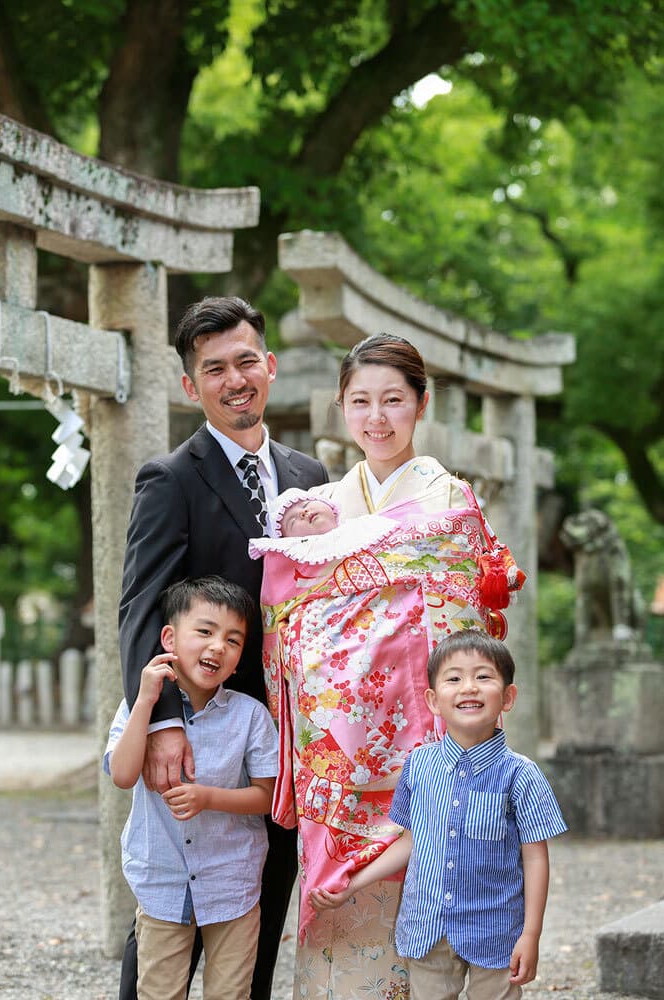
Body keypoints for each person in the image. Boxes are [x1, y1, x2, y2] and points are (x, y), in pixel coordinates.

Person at [258, 333, 525, 999]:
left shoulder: (451, 505)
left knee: (437, 903)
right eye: (361, 402)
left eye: (393, 401)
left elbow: (467, 625)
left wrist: (368, 618)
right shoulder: (316, 511)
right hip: (340, 751)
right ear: (341, 408)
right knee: (342, 916)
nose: (377, 418)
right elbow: (287, 615)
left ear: (421, 405)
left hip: (427, 741)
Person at [117, 296, 328, 1000]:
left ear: (269, 365)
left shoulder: (310, 475)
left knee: (262, 901)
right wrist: (165, 720)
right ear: (191, 386)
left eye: (246, 362)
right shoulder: (170, 478)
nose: (235, 379)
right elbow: (141, 606)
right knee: (170, 908)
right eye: (215, 370)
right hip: (207, 726)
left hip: (292, 736)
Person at [310, 629, 568, 1000]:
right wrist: (352, 884)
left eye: (483, 676)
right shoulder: (418, 765)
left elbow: (535, 856)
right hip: (426, 927)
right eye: (454, 678)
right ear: (433, 700)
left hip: (496, 930)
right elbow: (410, 841)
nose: (469, 687)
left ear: (508, 697)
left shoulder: (521, 774)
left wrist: (531, 935)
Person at [105, 576, 278, 1000]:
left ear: (239, 660)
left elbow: (267, 796)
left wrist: (208, 798)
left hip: (232, 879)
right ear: (169, 637)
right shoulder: (138, 706)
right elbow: (122, 775)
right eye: (204, 631)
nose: (217, 646)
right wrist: (145, 702)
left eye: (232, 640)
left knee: (231, 993)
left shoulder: (250, 715)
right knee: (159, 992)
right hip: (161, 879)